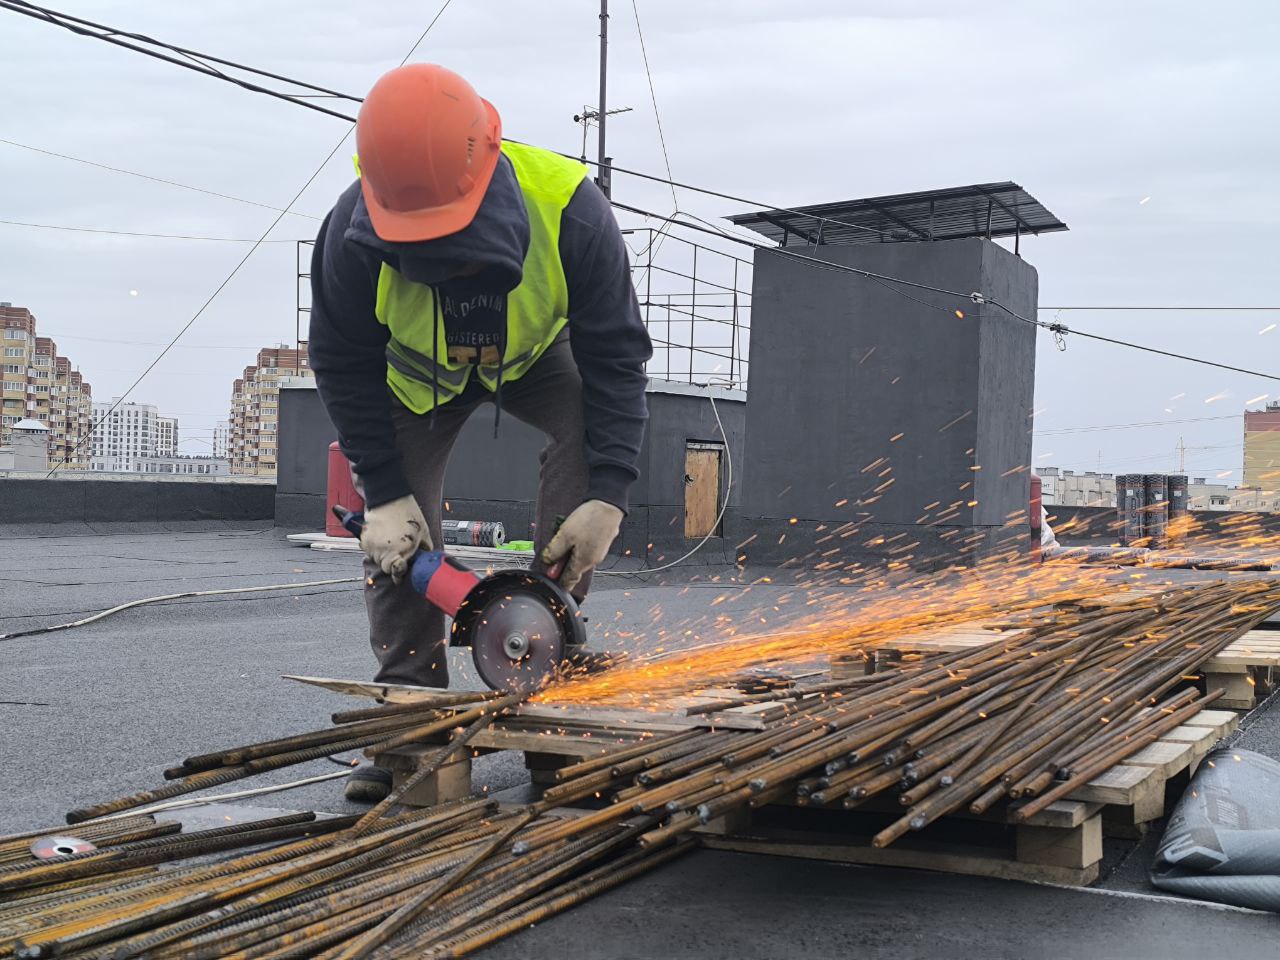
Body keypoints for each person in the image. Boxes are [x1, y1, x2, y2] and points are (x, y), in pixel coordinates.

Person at [308, 64, 652, 802]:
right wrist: (385, 490)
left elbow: (617, 358)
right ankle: (414, 716)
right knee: (398, 539)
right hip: (415, 382)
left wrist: (609, 495)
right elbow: (341, 361)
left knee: (588, 445)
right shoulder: (349, 234)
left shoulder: (568, 209)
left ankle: (544, 671)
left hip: (534, 364)